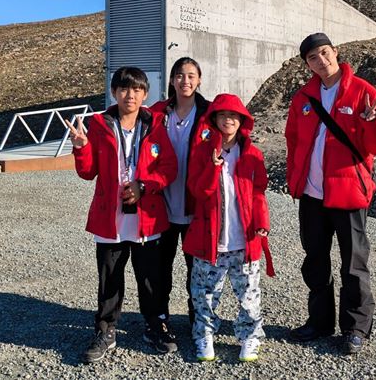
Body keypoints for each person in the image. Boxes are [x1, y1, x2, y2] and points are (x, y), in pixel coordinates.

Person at [285, 33, 376, 355]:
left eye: (324, 52)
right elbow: (293, 141)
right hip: (312, 195)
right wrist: (296, 178)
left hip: (348, 192)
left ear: (335, 52)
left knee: (353, 263)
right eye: (312, 57)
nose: (321, 60)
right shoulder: (303, 99)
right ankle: (319, 322)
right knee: (315, 260)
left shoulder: (362, 91)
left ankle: (355, 327)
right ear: (307, 64)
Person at [65, 67, 179, 363]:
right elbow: (88, 172)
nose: (131, 95)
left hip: (147, 218)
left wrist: (145, 186)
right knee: (109, 278)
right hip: (110, 219)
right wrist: (82, 148)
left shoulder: (156, 125)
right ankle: (105, 330)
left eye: (137, 90)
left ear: (145, 94)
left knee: (150, 279)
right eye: (124, 89)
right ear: (114, 92)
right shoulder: (99, 124)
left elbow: (168, 169)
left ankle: (154, 326)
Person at [183, 93, 275, 363]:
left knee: (249, 296)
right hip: (209, 240)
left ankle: (250, 337)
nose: (228, 120)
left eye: (234, 115)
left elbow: (259, 193)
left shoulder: (252, 154)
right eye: (222, 115)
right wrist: (212, 168)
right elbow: (197, 191)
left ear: (242, 120)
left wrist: (262, 223)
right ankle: (204, 336)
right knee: (204, 295)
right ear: (214, 119)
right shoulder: (202, 151)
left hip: (244, 240)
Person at [149, 57, 212, 331]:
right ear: (172, 80)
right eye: (179, 75)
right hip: (161, 203)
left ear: (199, 79)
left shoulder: (210, 113)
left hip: (195, 204)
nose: (184, 81)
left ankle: (197, 317)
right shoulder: (157, 113)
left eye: (190, 75)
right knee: (160, 266)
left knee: (197, 268)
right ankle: (159, 316)